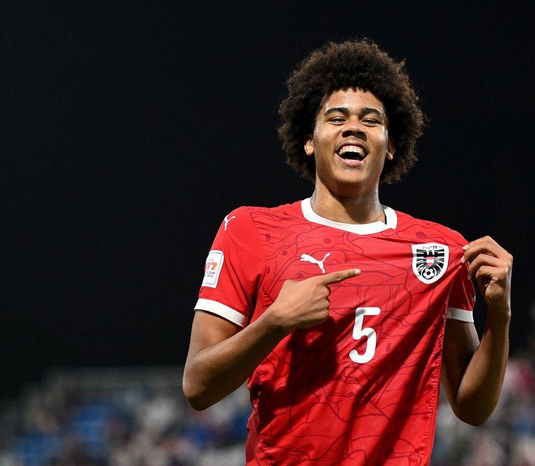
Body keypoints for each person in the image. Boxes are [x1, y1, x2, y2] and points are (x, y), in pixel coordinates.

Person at [183, 40, 513, 465]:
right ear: (309, 140)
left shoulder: (439, 251)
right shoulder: (250, 231)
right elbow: (198, 387)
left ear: (390, 145)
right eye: (336, 117)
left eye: (371, 120)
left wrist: (499, 315)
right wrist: (275, 321)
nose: (353, 127)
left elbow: (472, 407)